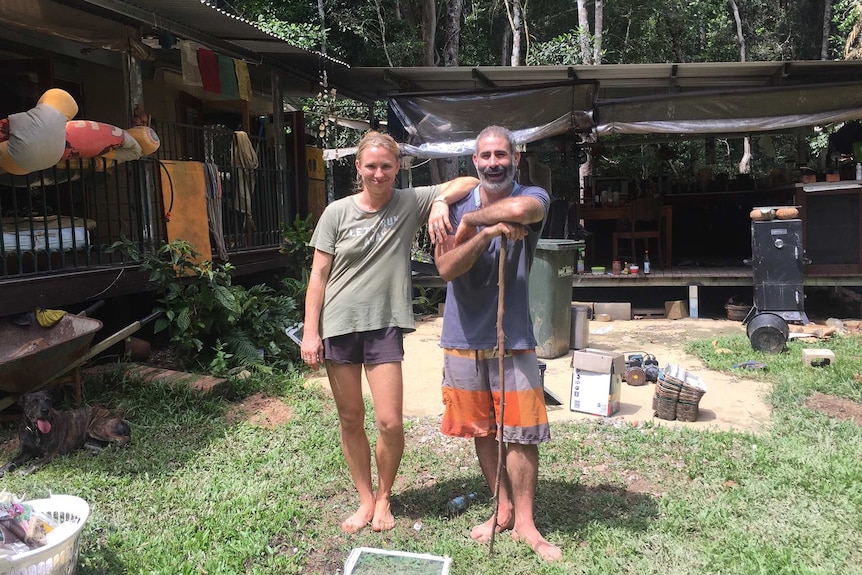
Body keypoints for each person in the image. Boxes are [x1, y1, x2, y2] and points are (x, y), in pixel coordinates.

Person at [301, 130, 478, 534]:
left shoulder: (408, 201)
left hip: (383, 325)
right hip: (339, 324)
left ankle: (384, 496)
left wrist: (438, 201)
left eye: (386, 166)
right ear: (358, 167)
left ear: (398, 167)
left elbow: (468, 181)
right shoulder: (336, 212)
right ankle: (365, 498)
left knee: (389, 422)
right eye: (371, 166)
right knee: (350, 417)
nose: (378, 173)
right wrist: (311, 333)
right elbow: (318, 275)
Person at [434, 125, 562, 562]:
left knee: (521, 431)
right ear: (474, 161)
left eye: (501, 155)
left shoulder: (535, 196)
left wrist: (472, 220)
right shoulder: (452, 209)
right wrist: (480, 229)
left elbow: (525, 209)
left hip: (516, 338)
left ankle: (525, 522)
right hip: (462, 337)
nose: (493, 163)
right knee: (483, 430)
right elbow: (447, 267)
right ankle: (501, 507)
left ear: (515, 157)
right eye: (485, 156)